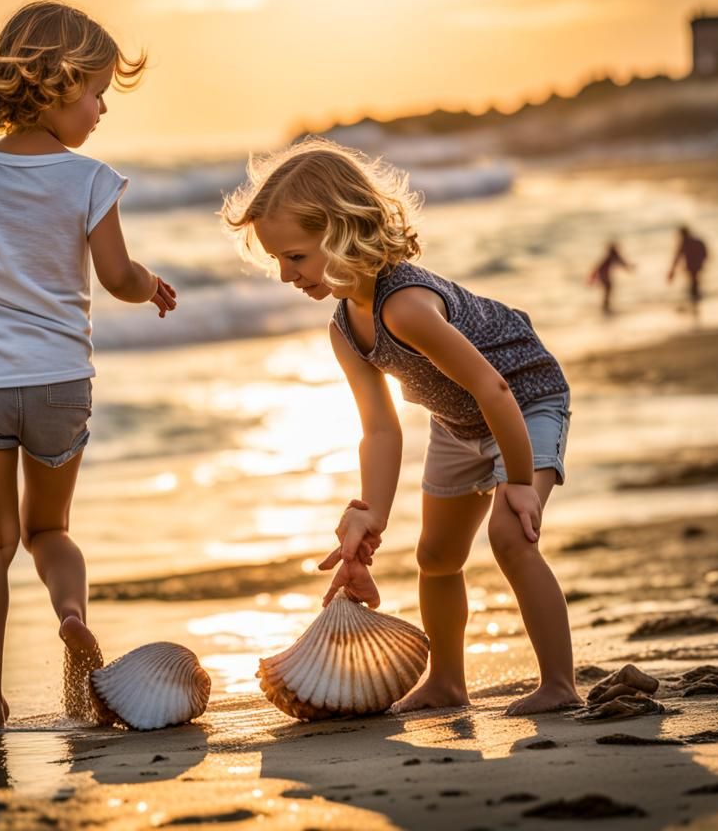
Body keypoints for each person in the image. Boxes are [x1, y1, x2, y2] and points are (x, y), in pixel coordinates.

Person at [0, 0, 177, 730]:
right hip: (58, 386)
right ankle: (71, 613)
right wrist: (149, 286)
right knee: (50, 531)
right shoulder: (89, 180)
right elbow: (115, 278)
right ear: (54, 84)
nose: (104, 108)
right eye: (96, 90)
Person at [221, 139, 580, 716]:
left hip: (526, 401)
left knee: (510, 536)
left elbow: (495, 388)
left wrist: (517, 480)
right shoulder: (344, 329)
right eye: (278, 262)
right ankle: (447, 682)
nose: (285, 275)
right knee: (436, 556)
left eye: (295, 257)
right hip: (459, 420)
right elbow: (381, 430)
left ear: (342, 232)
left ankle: (560, 684)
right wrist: (370, 513)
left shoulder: (406, 305)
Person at [589, 240, 634, 314]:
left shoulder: (609, 256)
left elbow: (622, 263)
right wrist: (629, 267)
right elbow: (622, 263)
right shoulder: (611, 256)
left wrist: (592, 278)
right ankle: (605, 308)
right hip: (604, 276)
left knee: (608, 290)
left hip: (603, 276)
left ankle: (605, 308)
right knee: (608, 290)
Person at [667, 225, 708, 305]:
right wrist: (672, 271)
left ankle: (695, 299)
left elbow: (677, 258)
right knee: (695, 282)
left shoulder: (686, 243)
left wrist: (672, 271)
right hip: (694, 266)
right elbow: (705, 253)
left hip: (694, 266)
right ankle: (696, 298)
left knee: (694, 283)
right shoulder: (694, 242)